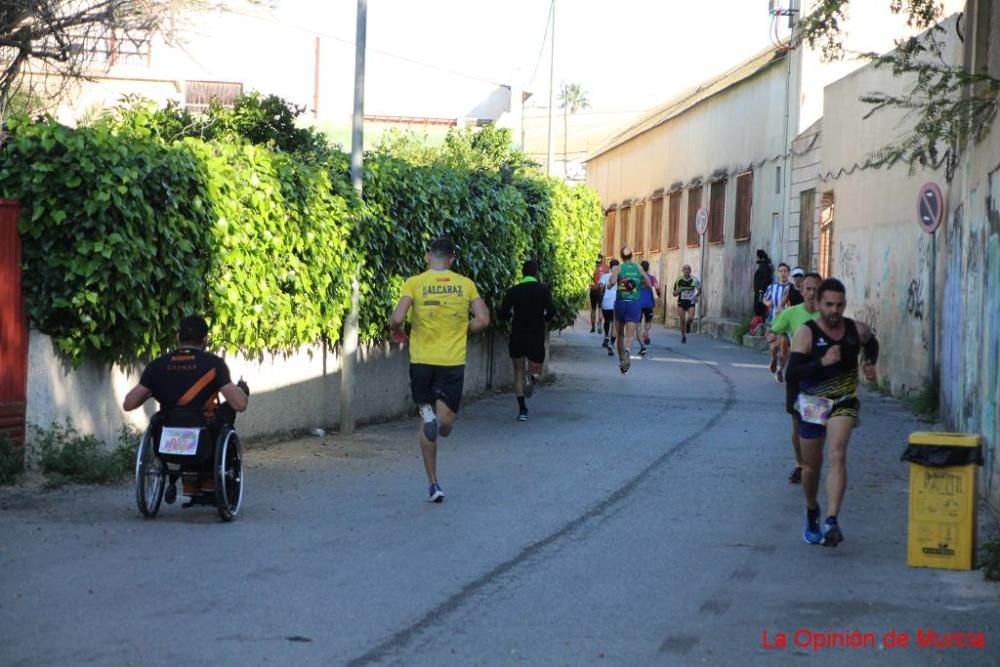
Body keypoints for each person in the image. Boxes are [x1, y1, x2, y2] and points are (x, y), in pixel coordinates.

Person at [389, 238, 490, 503]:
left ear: (427, 257)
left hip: (421, 361)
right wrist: (463, 329)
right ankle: (433, 476)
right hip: (451, 362)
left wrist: (396, 329)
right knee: (445, 426)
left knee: (427, 421)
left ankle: (433, 484)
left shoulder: (415, 282)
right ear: (452, 259)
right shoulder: (466, 284)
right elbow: (484, 319)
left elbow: (398, 318)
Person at [786, 278, 879, 547]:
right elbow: (792, 373)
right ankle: (813, 509)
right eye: (829, 305)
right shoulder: (807, 333)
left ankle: (832, 521)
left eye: (839, 305)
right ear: (819, 304)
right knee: (811, 467)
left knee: (838, 454)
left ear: (845, 304)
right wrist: (821, 362)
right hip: (813, 402)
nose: (834, 311)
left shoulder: (855, 330)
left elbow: (871, 343)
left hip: (844, 400)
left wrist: (870, 363)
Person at [122, 315, 249, 505]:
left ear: (178, 337)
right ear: (205, 340)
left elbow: (128, 404)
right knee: (225, 412)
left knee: (184, 418)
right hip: (202, 434)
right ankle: (207, 480)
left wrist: (155, 389)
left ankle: (189, 481)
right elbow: (240, 404)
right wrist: (241, 390)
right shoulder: (214, 365)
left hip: (166, 433)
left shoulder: (156, 366)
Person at [767, 272, 821, 485]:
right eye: (807, 289)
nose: (811, 293)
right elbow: (773, 331)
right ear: (801, 291)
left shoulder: (827, 314)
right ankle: (800, 464)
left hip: (819, 378)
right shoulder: (790, 313)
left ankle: (811, 464)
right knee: (797, 423)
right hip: (797, 376)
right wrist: (771, 337)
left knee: (814, 424)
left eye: (816, 289)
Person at [498, 259, 556, 422]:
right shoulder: (543, 290)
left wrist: (510, 317)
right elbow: (552, 310)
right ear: (536, 273)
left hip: (518, 333)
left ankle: (522, 409)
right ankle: (533, 378)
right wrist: (544, 319)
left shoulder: (513, 291)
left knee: (517, 372)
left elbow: (502, 313)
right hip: (536, 333)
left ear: (522, 273)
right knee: (536, 367)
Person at [608, 245, 652, 372]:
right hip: (634, 304)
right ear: (632, 256)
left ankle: (622, 360)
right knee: (630, 335)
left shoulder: (618, 267)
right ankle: (628, 350)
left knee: (620, 334)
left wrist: (610, 285)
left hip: (621, 303)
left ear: (621, 257)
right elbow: (648, 283)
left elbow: (612, 281)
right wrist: (638, 284)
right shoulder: (638, 267)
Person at [763, 262, 792, 380]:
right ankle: (774, 358)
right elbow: (765, 298)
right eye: (781, 271)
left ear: (788, 273)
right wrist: (767, 303)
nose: (783, 273)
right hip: (774, 320)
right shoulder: (772, 287)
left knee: (784, 347)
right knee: (774, 346)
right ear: (778, 273)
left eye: (785, 271)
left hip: (787, 322)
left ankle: (780, 371)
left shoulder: (792, 288)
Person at [672, 264, 701, 344]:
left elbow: (699, 289)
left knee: (691, 318)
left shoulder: (694, 280)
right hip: (681, 302)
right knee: (682, 320)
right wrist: (678, 291)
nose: (687, 271)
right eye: (685, 269)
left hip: (690, 301)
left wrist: (696, 296)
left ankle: (688, 324)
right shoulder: (679, 280)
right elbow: (674, 293)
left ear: (690, 271)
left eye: (688, 269)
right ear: (683, 271)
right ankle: (683, 336)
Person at [598, 259, 619, 356]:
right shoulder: (620, 277)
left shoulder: (605, 276)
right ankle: (611, 344)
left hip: (606, 302)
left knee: (607, 320)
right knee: (614, 324)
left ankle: (606, 336)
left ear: (610, 267)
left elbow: (601, 287)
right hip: (616, 303)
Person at [750, 249, 773, 335]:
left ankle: (757, 330)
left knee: (759, 309)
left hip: (760, 292)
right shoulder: (764, 266)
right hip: (759, 292)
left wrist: (761, 291)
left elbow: (765, 280)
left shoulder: (764, 267)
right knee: (758, 309)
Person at [637, 260, 658, 346]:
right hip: (649, 303)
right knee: (648, 320)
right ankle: (645, 332)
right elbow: (657, 287)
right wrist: (659, 293)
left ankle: (640, 334)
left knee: (638, 321)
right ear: (648, 268)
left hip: (638, 303)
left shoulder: (637, 278)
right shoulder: (651, 278)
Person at [589, 255, 608, 333]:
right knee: (600, 308)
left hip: (593, 290)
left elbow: (590, 279)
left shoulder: (591, 268)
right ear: (602, 259)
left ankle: (593, 327)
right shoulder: (606, 268)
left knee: (593, 309)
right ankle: (599, 324)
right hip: (601, 290)